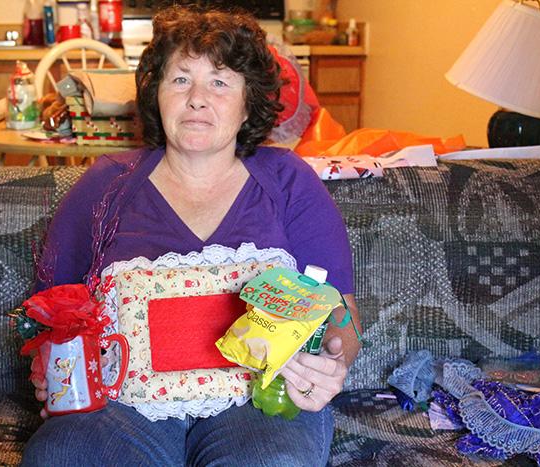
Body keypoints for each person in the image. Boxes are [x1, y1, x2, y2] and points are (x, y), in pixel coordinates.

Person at [22, 6, 362, 466]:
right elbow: (51, 306)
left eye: (220, 82)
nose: (197, 98)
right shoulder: (105, 186)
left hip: (258, 403)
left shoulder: (289, 182)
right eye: (180, 80)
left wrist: (335, 358)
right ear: (157, 96)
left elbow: (341, 309)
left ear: (248, 102)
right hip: (121, 408)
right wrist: (49, 362)